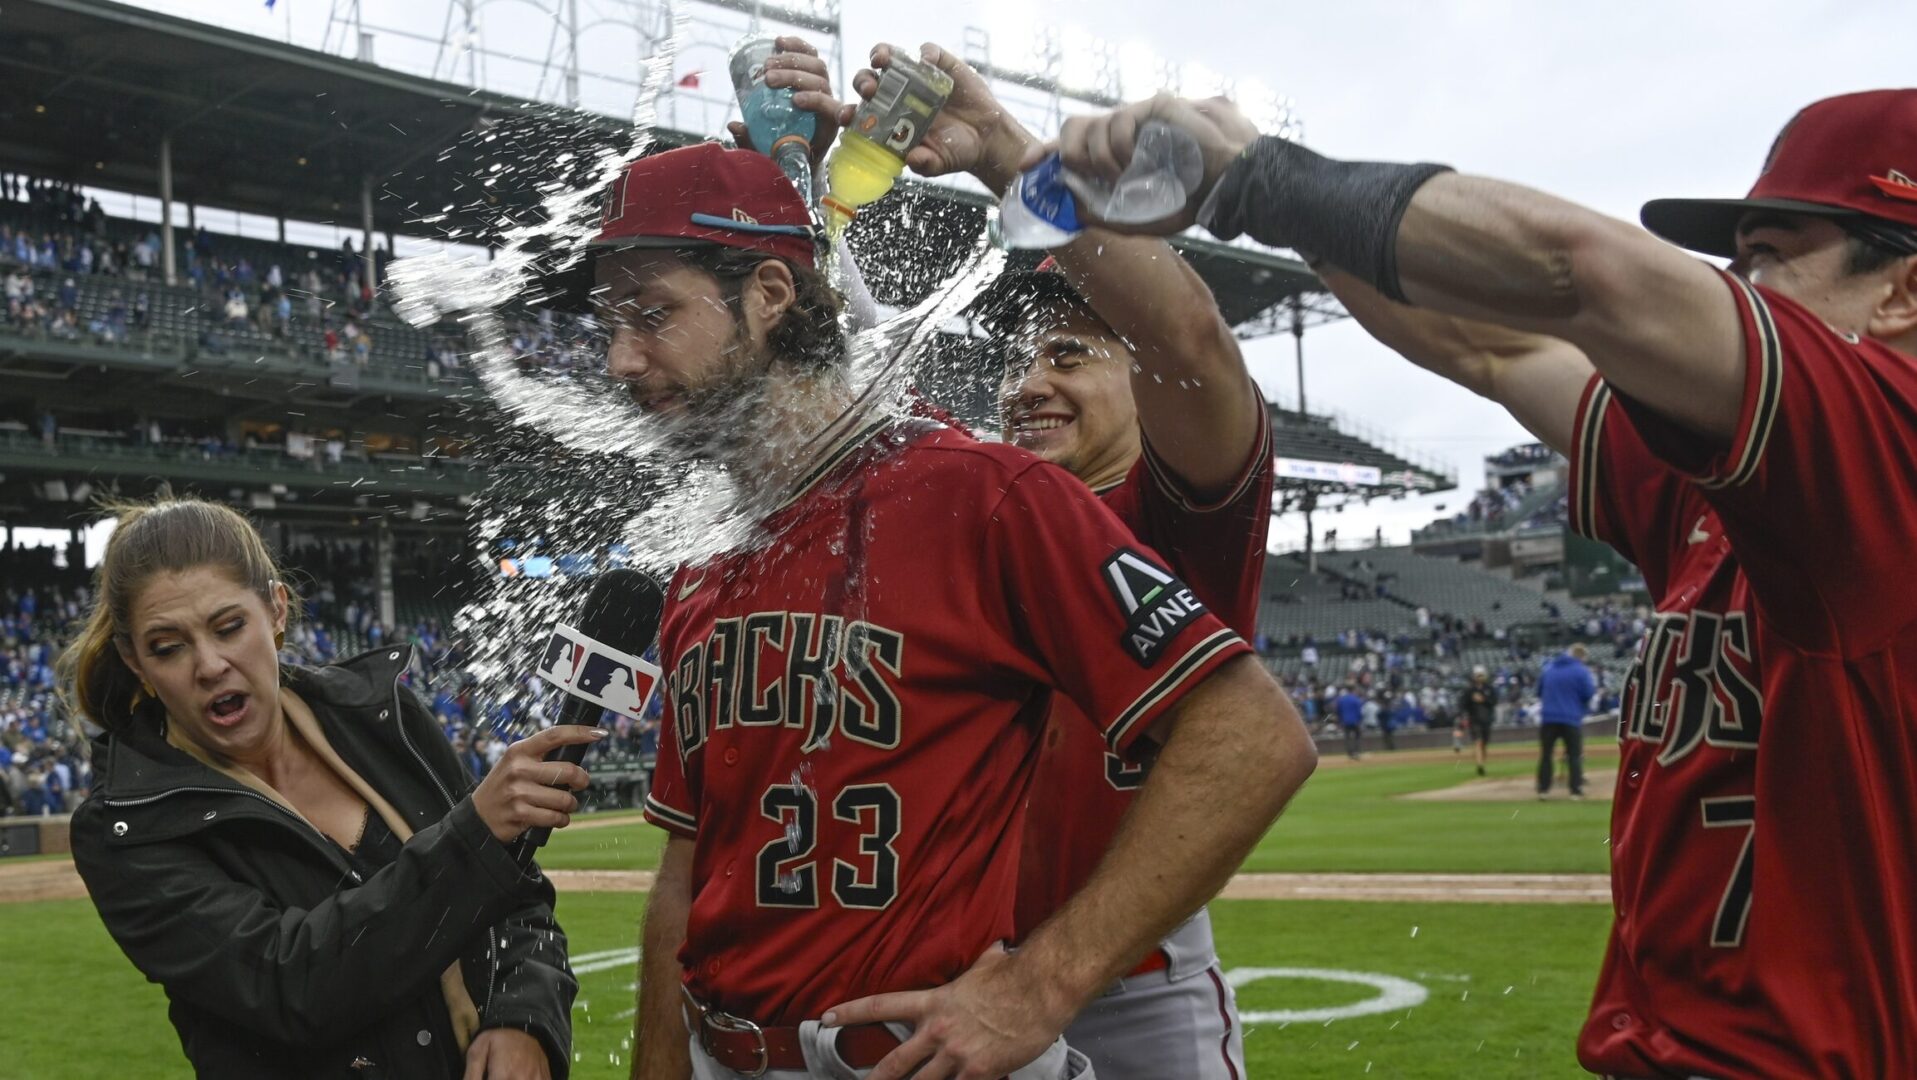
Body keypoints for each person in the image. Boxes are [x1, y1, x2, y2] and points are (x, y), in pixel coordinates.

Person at [1057, 87, 1917, 1078]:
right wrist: (1285, 210)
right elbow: (1492, 345)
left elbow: (1591, 277)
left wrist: (1259, 178)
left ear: (1899, 290)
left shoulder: (1885, 451)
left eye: (1770, 255)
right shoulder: (1733, 492)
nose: (1737, 281)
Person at [568, 144, 1315, 1080]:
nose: (618, 360)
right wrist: (803, 177)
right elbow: (687, 865)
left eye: (651, 314)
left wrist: (1002, 142)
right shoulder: (722, 546)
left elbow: (1251, 735)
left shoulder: (1006, 500)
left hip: (1107, 977)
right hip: (796, 1032)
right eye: (1020, 359)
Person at [831, 38, 1277, 1078]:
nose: (1029, 381)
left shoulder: (1178, 509)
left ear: (1142, 384)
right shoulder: (988, 508)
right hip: (964, 976)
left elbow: (1190, 339)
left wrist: (1003, 154)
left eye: (1069, 354)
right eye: (1021, 357)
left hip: (1138, 981)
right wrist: (818, 194)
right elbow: (855, 393)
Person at [61, 496, 590, 1078]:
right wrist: (474, 836)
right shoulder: (126, 826)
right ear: (136, 663)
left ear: (276, 611)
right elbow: (292, 986)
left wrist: (524, 1019)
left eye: (229, 627)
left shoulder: (384, 717)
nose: (209, 665)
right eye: (168, 647)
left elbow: (517, 902)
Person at [1536, 643, 1595, 799]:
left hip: (1548, 717)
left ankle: (1543, 789)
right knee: (1574, 755)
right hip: (1571, 718)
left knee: (1546, 754)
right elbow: (1588, 693)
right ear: (1582, 657)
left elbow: (1539, 691)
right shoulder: (1581, 671)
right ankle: (1575, 790)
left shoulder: (1548, 669)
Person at [1460, 665, 1496, 776]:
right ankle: (1480, 765)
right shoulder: (1469, 690)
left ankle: (1482, 763)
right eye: (1477, 675)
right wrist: (1463, 716)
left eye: (1481, 675)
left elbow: (1494, 702)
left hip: (1487, 720)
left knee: (1484, 743)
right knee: (1478, 742)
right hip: (1474, 719)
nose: (1479, 677)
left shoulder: (1489, 689)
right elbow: (1463, 704)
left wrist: (1483, 699)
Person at [1335, 683, 1364, 760]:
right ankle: (1356, 752)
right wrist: (1360, 720)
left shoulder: (1341, 699)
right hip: (1355, 721)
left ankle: (1350, 753)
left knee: (1347, 738)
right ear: (1353, 689)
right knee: (1357, 736)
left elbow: (1338, 711)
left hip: (1345, 721)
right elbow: (1359, 711)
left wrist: (1340, 720)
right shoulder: (1356, 699)